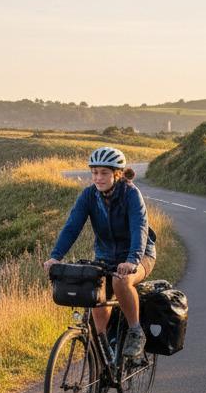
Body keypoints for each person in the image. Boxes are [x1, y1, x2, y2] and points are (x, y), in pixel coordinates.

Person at [43, 146, 157, 361]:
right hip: (105, 256)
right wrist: (55, 256)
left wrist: (132, 260)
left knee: (121, 281)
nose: (98, 178)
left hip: (139, 255)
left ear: (117, 174)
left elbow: (139, 228)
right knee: (95, 293)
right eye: (94, 172)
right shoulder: (89, 195)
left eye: (104, 173)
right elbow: (72, 227)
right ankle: (105, 356)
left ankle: (135, 331)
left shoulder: (131, 194)